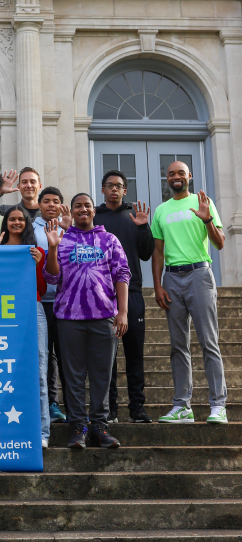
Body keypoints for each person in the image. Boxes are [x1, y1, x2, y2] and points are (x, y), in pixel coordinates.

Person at [44, 193, 130, 451]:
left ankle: (100, 428)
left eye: (87, 206)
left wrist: (123, 312)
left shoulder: (108, 239)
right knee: (73, 376)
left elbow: (122, 273)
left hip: (104, 317)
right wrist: (52, 248)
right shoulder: (62, 238)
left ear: (94, 211)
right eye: (78, 206)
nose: (83, 209)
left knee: (102, 376)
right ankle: (78, 427)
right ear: (70, 210)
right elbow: (51, 277)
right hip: (69, 319)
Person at [152, 161, 227, 424]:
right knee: (177, 345)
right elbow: (158, 251)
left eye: (180, 173)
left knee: (209, 342)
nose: (175, 176)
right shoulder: (161, 211)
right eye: (171, 173)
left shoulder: (203, 201)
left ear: (189, 177)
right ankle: (182, 406)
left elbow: (219, 243)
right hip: (172, 278)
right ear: (167, 178)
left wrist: (207, 219)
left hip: (199, 275)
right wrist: (158, 284)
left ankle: (218, 405)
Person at [94, 170, 155, 424]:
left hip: (132, 293)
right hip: (101, 294)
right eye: (109, 186)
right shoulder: (95, 217)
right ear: (102, 189)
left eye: (118, 186)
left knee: (134, 353)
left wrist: (143, 228)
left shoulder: (134, 216)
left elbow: (146, 254)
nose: (114, 190)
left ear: (125, 190)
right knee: (106, 356)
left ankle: (137, 408)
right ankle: (111, 410)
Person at [0, 207, 49, 447]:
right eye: (11, 219)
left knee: (39, 372)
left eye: (20, 219)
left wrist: (38, 264)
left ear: (27, 223)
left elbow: (42, 289)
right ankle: (2, 431)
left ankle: (42, 433)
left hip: (31, 311)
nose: (16, 222)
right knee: (0, 373)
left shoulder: (37, 252)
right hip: (0, 313)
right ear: (6, 223)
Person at [33, 187, 72, 423]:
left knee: (65, 354)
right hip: (41, 301)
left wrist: (68, 229)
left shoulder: (69, 228)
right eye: (46, 201)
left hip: (66, 301)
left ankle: (73, 406)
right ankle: (52, 403)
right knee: (46, 355)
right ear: (38, 205)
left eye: (55, 201)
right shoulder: (31, 229)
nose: (51, 205)